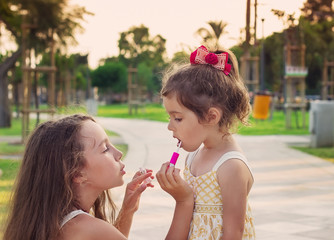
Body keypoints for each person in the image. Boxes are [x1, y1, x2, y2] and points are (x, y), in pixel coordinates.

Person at [157, 45, 256, 240]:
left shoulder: (231, 166)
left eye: (177, 118)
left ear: (211, 116)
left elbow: (233, 234)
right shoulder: (192, 158)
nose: (170, 126)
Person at [3, 114, 154, 240]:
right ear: (77, 173)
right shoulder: (87, 229)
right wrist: (179, 199)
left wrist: (127, 211)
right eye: (105, 149)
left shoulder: (57, 222)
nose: (119, 153)